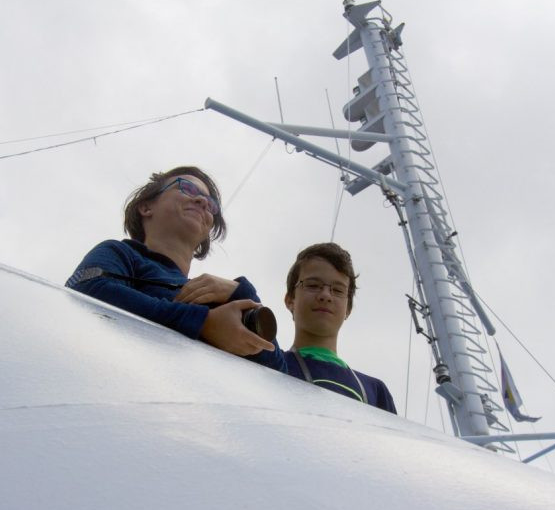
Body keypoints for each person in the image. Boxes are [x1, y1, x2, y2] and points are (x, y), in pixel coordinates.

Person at [66, 166, 285, 371]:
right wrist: (203, 323)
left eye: (211, 205)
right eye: (187, 188)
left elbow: (277, 371)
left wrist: (239, 291)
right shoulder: (121, 253)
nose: (202, 201)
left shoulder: (219, 299)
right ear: (146, 206)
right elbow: (86, 288)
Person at [281, 242, 396, 414]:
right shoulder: (273, 365)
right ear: (290, 300)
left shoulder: (376, 391)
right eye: (313, 285)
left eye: (338, 290)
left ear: (348, 309)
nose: (326, 295)